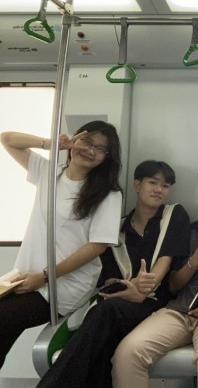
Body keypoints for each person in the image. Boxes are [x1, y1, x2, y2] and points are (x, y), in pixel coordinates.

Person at [36, 160, 191, 388]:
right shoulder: (117, 229)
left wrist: (147, 284)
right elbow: (109, 278)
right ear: (137, 185)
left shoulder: (173, 215)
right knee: (103, 336)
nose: (159, 190)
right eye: (153, 182)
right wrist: (127, 288)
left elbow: (165, 260)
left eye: (166, 185)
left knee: (105, 312)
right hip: (123, 300)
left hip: (158, 303)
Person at [111, 160, 198, 388]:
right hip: (179, 310)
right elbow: (174, 285)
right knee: (128, 352)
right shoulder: (189, 231)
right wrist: (195, 261)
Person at [0, 121, 123, 369]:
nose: (90, 151)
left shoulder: (108, 194)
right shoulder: (49, 172)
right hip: (26, 276)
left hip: (64, 284)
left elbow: (97, 247)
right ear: (75, 139)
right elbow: (7, 138)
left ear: (106, 158)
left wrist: (45, 276)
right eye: (87, 141)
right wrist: (51, 144)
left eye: (100, 149)